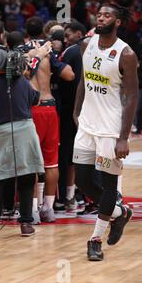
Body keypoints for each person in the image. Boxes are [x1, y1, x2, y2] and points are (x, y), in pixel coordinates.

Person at [72, 3, 138, 261]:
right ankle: (120, 212)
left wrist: (123, 137)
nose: (101, 17)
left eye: (107, 15)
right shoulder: (86, 45)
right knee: (83, 181)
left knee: (109, 184)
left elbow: (132, 96)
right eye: (99, 14)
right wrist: (76, 112)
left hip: (111, 129)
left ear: (118, 21)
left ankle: (95, 239)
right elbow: (83, 81)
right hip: (87, 124)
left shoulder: (126, 54)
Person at [0, 29, 50, 237]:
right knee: (26, 177)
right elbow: (37, 99)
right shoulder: (21, 82)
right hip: (24, 130)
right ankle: (25, 223)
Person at [25, 16, 75, 222]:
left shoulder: (21, 50)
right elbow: (70, 75)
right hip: (50, 107)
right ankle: (49, 209)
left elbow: (24, 75)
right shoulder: (48, 52)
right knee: (51, 162)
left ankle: (34, 210)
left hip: (32, 109)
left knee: (32, 163)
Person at [56, 21, 87, 214]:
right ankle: (77, 196)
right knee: (81, 156)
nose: (64, 40)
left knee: (65, 156)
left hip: (69, 110)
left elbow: (66, 78)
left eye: (67, 35)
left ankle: (65, 198)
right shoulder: (90, 50)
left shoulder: (72, 51)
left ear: (78, 33)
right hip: (85, 109)